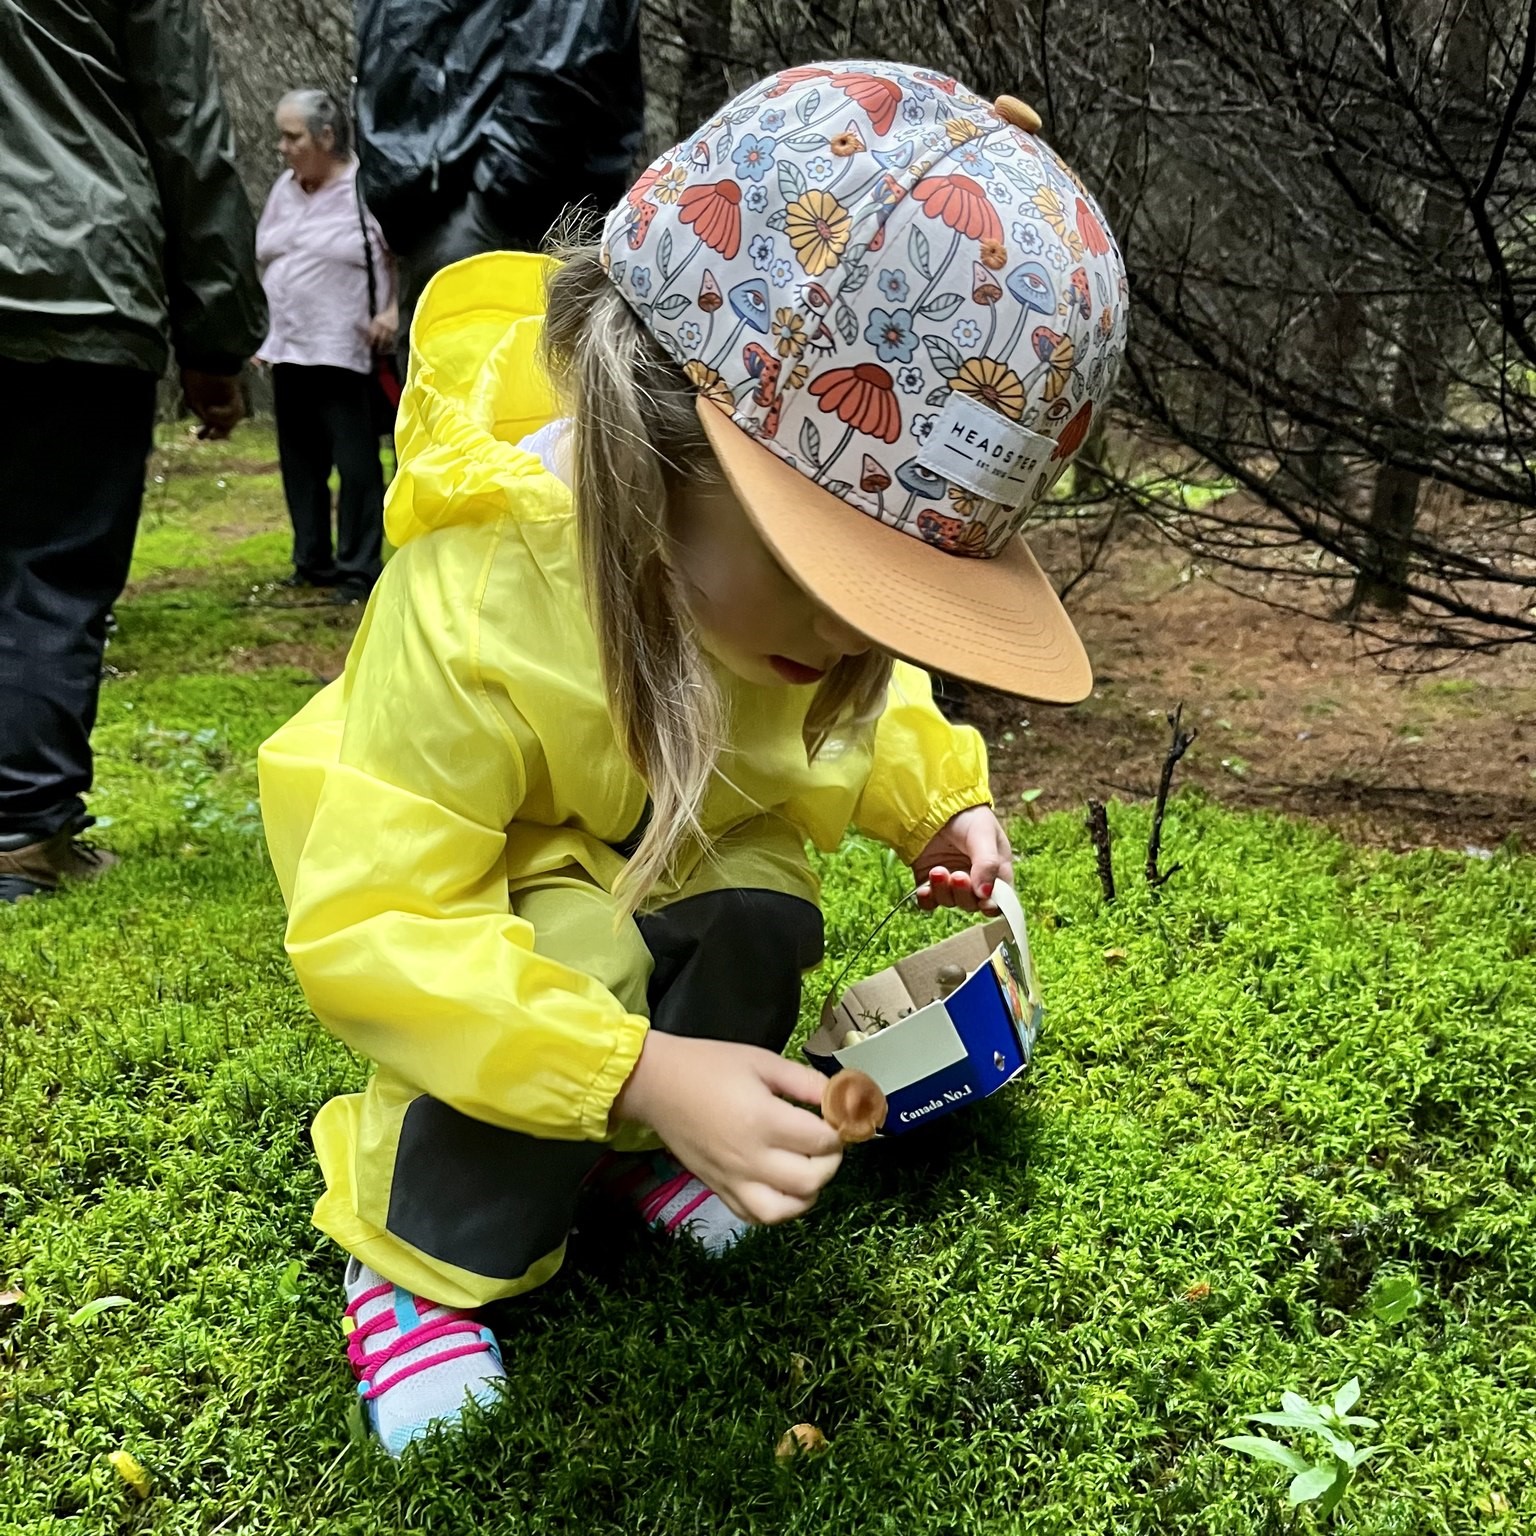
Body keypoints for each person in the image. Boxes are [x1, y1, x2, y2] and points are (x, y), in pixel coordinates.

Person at [258, 60, 1128, 1456]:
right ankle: (420, 1255)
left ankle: (633, 1155)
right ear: (660, 436)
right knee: (574, 963)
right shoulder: (479, 591)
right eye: (829, 582)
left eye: (889, 606)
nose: (854, 643)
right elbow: (386, 919)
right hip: (495, 905)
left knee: (757, 908)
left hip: (672, 852)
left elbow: (871, 699)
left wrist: (938, 802)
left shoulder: (771, 608)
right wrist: (637, 1066)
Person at [0, 0, 266, 906]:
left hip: (78, 284)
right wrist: (216, 338)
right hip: (76, 287)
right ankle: (23, 832)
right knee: (51, 564)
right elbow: (187, 129)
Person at [352, 0, 644, 368]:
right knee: (444, 409)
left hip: (496, 214)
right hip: (436, 210)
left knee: (507, 405)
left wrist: (501, 196)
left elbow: (563, 54)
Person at [256, 90, 397, 604]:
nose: (282, 147)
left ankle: (358, 569)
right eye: (282, 136)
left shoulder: (366, 190)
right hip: (289, 347)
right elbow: (268, 259)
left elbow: (397, 256)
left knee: (357, 465)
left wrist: (392, 313)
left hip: (346, 350)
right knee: (300, 462)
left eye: (292, 136)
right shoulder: (283, 191)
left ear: (327, 137)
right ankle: (310, 560)